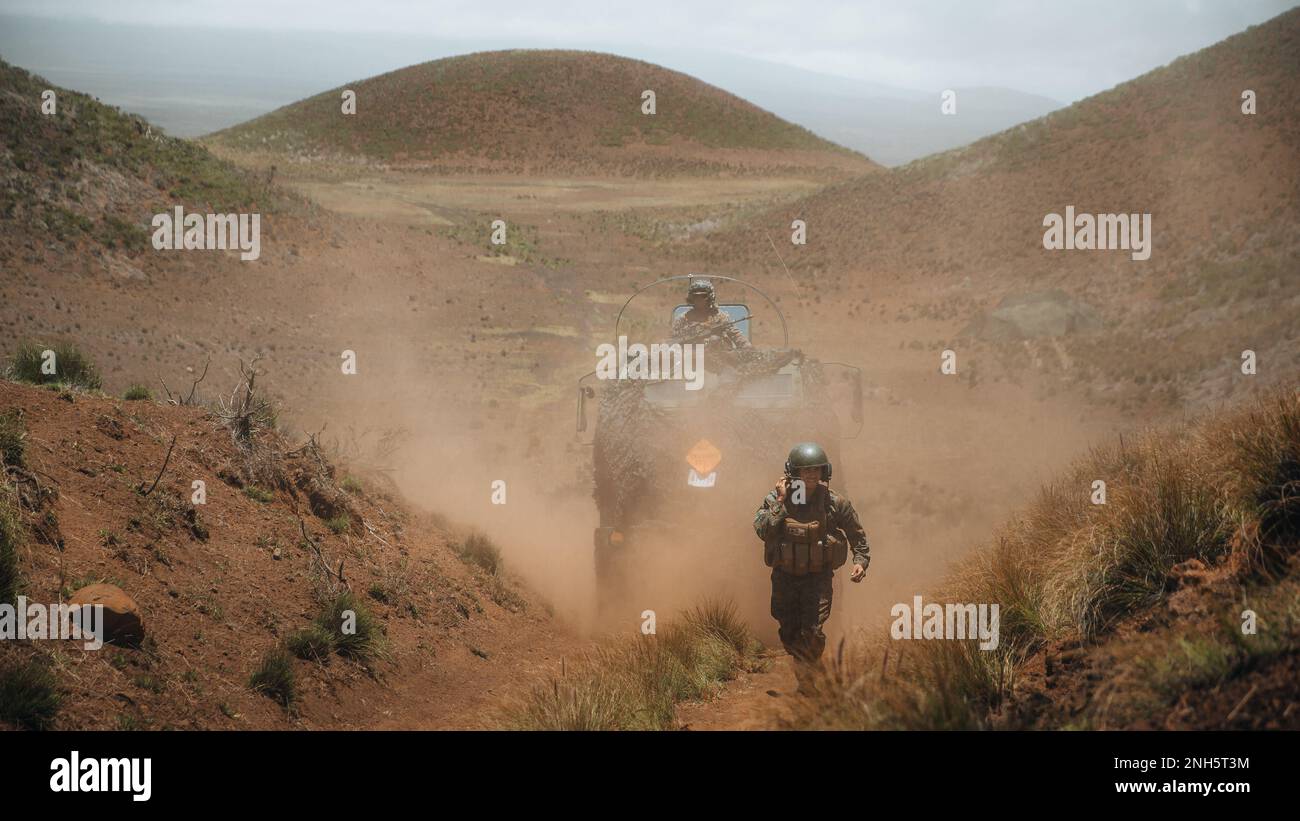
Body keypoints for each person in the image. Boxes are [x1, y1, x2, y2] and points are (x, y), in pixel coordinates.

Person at [753, 442, 870, 693]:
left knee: (813, 632)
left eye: (816, 471)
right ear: (792, 472)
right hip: (785, 577)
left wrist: (860, 562)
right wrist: (782, 501)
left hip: (817, 579)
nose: (811, 476)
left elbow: (856, 536)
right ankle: (802, 663)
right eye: (805, 471)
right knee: (789, 632)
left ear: (824, 472)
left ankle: (808, 681)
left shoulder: (834, 503)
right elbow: (762, 529)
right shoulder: (777, 499)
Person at [670, 278, 751, 351]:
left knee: (714, 339)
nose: (699, 299)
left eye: (703, 296)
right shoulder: (683, 319)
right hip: (691, 361)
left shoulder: (719, 317)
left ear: (710, 297)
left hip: (721, 359)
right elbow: (673, 342)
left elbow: (736, 335)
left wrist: (748, 348)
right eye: (695, 296)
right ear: (691, 298)